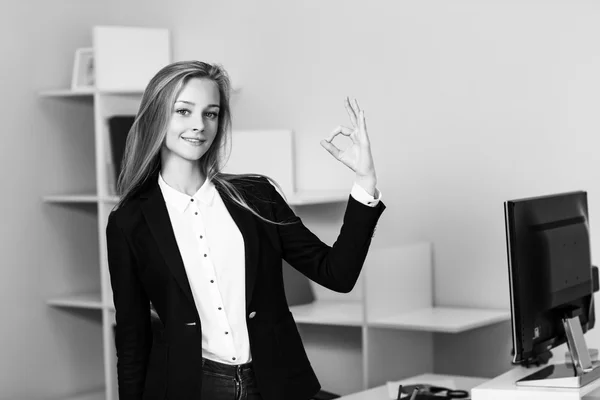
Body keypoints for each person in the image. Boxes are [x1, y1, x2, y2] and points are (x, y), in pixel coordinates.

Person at [106, 60, 385, 400]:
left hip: (275, 385)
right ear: (156, 116)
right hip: (190, 388)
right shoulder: (129, 222)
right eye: (183, 111)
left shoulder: (256, 197)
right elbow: (132, 339)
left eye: (211, 113)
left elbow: (337, 274)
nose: (199, 125)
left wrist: (364, 182)